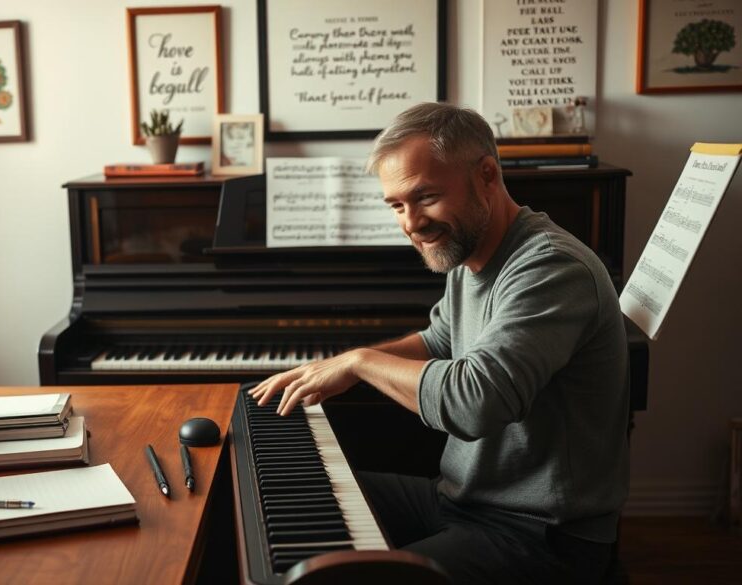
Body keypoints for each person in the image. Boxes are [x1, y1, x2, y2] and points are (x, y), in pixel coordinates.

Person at [249, 102, 628, 584]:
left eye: (425, 196)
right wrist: (339, 363)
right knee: (289, 497)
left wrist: (363, 363)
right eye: (396, 205)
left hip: (542, 534)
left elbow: (475, 402)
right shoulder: (470, 254)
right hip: (460, 498)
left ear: (487, 175)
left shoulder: (550, 268)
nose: (410, 223)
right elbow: (438, 340)